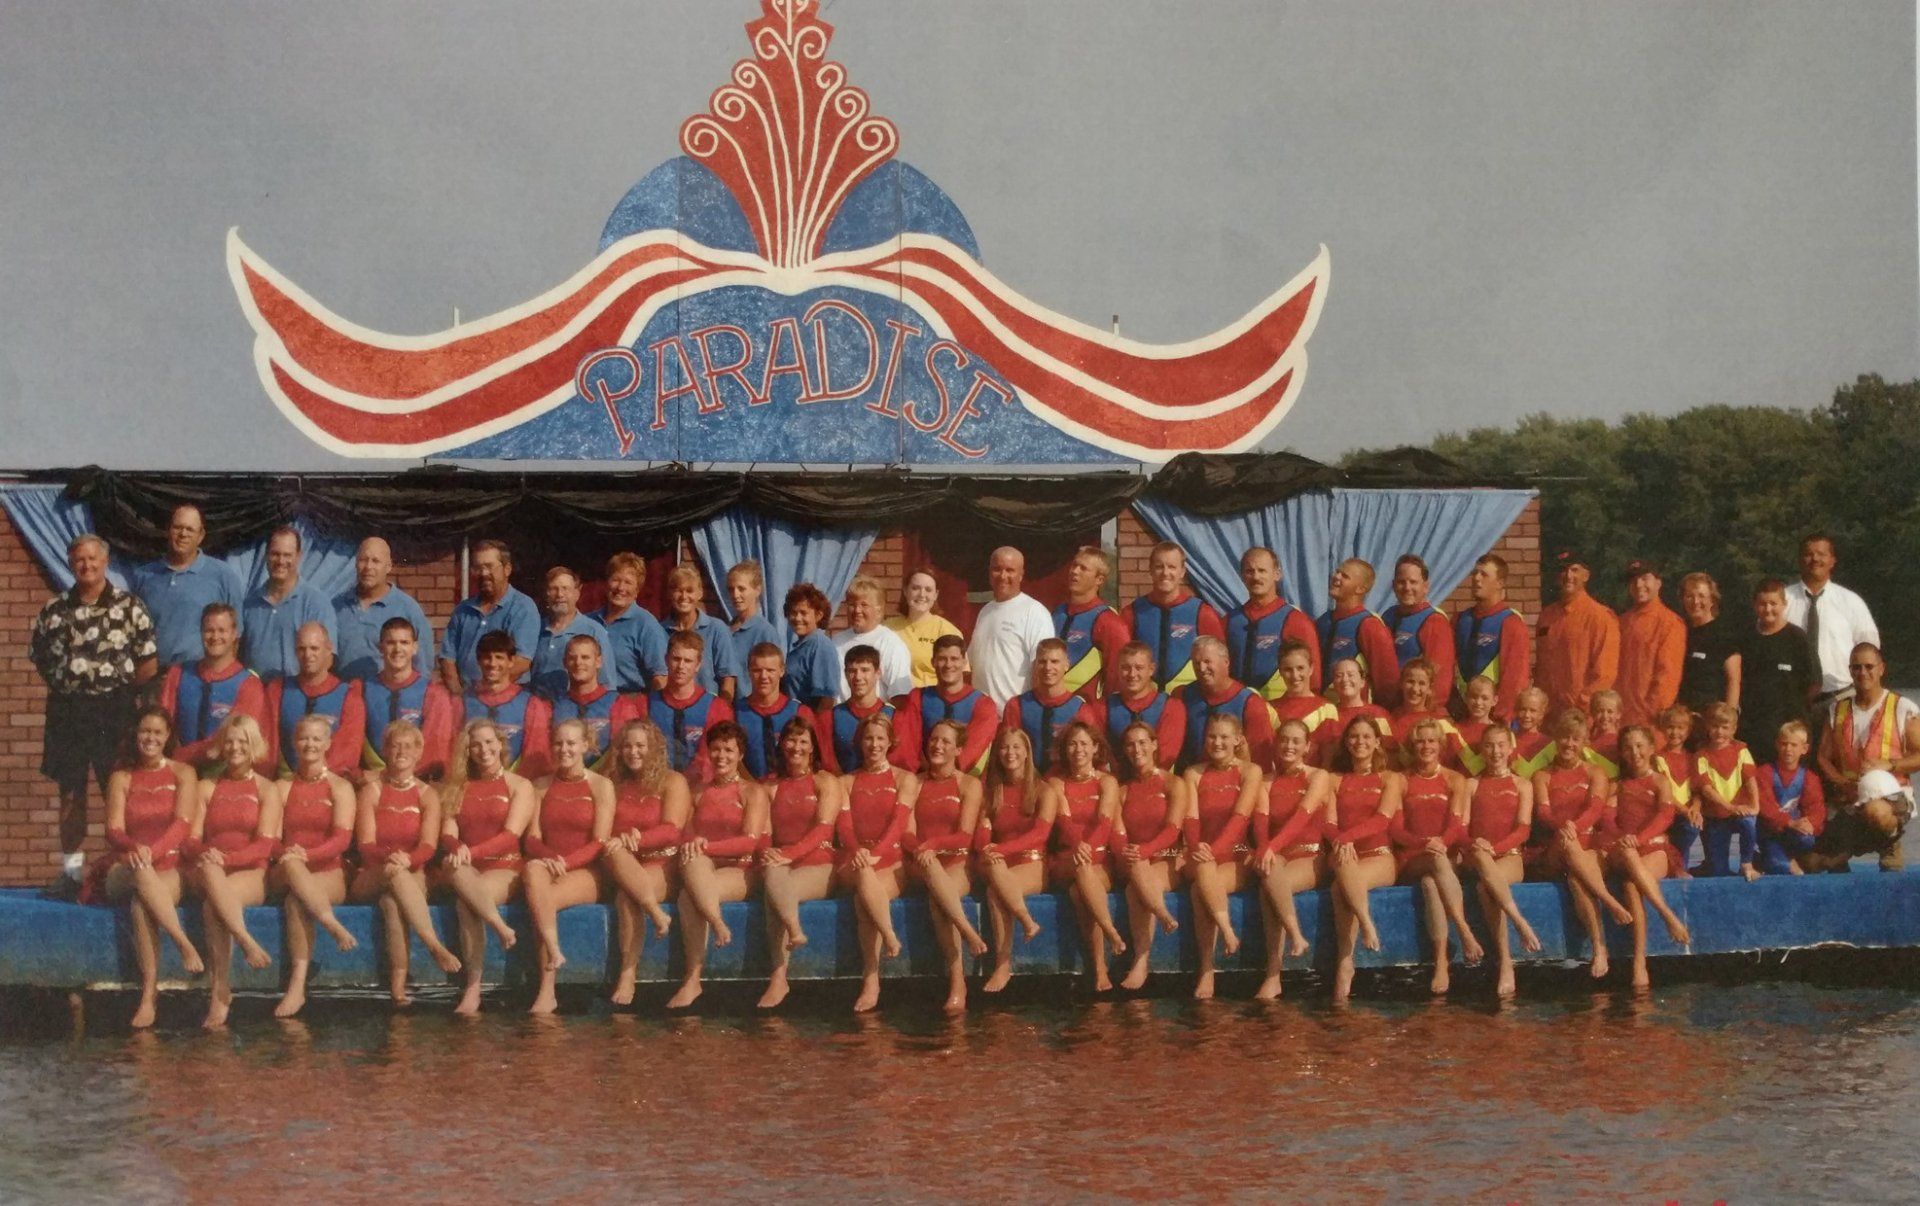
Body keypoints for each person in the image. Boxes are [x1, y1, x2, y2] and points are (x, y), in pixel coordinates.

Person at [31, 532, 158, 898]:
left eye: (92, 559)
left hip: (112, 711)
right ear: (71, 565)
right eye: (79, 561)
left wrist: (118, 695)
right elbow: (41, 659)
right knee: (70, 794)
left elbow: (148, 663)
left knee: (116, 791)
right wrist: (70, 684)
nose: (86, 566)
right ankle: (71, 875)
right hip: (67, 712)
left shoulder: (128, 606)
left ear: (105, 562)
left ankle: (122, 874)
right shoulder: (53, 610)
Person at [101, 707, 203, 1029]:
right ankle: (183, 942)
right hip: (125, 864)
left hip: (168, 863)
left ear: (168, 736)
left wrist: (154, 852)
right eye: (145, 731)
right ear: (136, 734)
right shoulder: (121, 777)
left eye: (157, 733)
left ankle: (148, 995)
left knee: (141, 903)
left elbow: (183, 824)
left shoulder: (184, 773)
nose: (150, 738)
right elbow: (113, 830)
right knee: (140, 875)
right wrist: (136, 850)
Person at [350, 721, 462, 1005]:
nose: (401, 751)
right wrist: (393, 860)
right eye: (395, 745)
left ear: (418, 753)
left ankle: (397, 984)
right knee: (394, 876)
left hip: (414, 872)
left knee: (391, 904)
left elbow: (428, 846)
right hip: (372, 872)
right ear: (385, 750)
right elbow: (365, 845)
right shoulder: (371, 791)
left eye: (408, 746)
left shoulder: (427, 795)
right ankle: (434, 945)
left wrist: (408, 860)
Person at [666, 722, 770, 1009]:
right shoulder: (698, 792)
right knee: (691, 875)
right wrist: (698, 846)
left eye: (728, 750)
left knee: (690, 894)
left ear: (740, 754)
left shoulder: (752, 792)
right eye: (715, 749)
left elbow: (749, 841)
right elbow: (686, 835)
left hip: (741, 869)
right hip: (703, 868)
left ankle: (693, 977)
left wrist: (707, 846)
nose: (721, 756)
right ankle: (715, 926)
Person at [437, 718, 536, 1016]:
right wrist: (458, 851)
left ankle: (472, 986)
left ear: (501, 745)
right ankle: (498, 926)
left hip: (504, 866)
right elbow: (447, 833)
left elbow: (511, 836)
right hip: (466, 868)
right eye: (476, 745)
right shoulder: (458, 787)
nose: (483, 750)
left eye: (489, 742)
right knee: (451, 866)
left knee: (466, 903)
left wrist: (470, 852)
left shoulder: (520, 785)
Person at [188, 714, 280, 1028]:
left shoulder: (268, 789)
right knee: (212, 875)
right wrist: (208, 854)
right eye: (229, 741)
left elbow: (265, 846)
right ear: (221, 746)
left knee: (213, 905)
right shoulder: (206, 787)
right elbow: (191, 841)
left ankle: (220, 990)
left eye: (243, 741)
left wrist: (226, 860)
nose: (235, 747)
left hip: (250, 871)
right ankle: (245, 941)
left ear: (254, 746)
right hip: (210, 867)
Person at [1529, 711, 1633, 980]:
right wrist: (1564, 828)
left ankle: (1599, 947)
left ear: (1584, 742)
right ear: (1555, 740)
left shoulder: (1594, 772)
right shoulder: (1542, 775)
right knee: (1569, 847)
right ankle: (1610, 902)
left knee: (1577, 878)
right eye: (1564, 737)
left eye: (1576, 739)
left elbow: (1596, 808)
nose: (1569, 744)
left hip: (1585, 844)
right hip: (1554, 846)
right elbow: (1543, 812)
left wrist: (1574, 827)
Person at [522, 718, 616, 1014]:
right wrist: (550, 858)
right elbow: (532, 838)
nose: (564, 749)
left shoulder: (601, 785)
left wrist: (566, 862)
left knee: (542, 900)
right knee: (531, 870)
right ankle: (554, 951)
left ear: (585, 746)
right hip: (549, 866)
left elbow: (600, 841)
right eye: (559, 743)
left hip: (587, 870)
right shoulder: (540, 786)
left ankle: (547, 989)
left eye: (571, 743)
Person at [270, 713, 360, 1018]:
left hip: (326, 871)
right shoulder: (281, 787)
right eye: (304, 738)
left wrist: (306, 855)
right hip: (287, 868)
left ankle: (297, 987)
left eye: (316, 738)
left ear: (328, 744)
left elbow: (342, 840)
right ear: (295, 743)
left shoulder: (340, 787)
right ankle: (331, 925)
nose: (310, 744)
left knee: (297, 901)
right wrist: (290, 854)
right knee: (293, 869)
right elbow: (270, 839)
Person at [1390, 718, 1483, 995]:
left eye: (1431, 740)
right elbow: (1395, 829)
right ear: (1412, 745)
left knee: (1431, 884)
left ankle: (1441, 962)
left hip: (1444, 853)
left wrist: (1441, 842)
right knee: (1435, 863)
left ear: (1441, 745)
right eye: (1420, 741)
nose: (1426, 746)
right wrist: (1426, 843)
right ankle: (1464, 931)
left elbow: (1457, 825)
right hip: (1413, 856)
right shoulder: (1401, 779)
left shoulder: (1456, 779)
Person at [601, 718, 690, 1007]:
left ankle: (628, 972)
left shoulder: (673, 780)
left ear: (654, 748)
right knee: (615, 856)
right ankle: (656, 913)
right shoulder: (613, 784)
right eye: (627, 746)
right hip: (622, 863)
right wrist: (622, 840)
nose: (633, 752)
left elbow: (672, 830)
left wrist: (634, 838)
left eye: (640, 745)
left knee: (627, 897)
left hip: (662, 864)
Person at [756, 717, 843, 1010]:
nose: (796, 747)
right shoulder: (770, 786)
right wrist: (769, 853)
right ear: (781, 745)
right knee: (774, 878)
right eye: (791, 741)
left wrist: (788, 855)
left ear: (813, 747)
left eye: (803, 741)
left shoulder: (825, 781)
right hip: (781, 864)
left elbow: (823, 829)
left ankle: (779, 974)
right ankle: (783, 966)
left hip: (819, 862)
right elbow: (764, 833)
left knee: (779, 886)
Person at [906, 720, 989, 1012]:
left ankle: (957, 981)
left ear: (959, 749)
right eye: (933, 740)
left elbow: (965, 836)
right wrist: (921, 849)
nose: (937, 746)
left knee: (939, 898)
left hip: (955, 862)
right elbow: (907, 831)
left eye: (945, 742)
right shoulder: (914, 783)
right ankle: (968, 933)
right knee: (933, 878)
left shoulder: (969, 784)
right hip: (921, 861)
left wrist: (934, 845)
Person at [836, 714, 917, 1012]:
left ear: (890, 742)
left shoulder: (905, 779)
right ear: (860, 742)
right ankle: (889, 937)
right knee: (864, 880)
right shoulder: (845, 781)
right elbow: (844, 826)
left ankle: (871, 978)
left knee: (864, 900)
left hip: (890, 860)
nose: (874, 744)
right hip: (856, 859)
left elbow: (899, 824)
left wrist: (877, 853)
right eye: (869, 738)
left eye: (880, 738)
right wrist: (859, 851)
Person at [1603, 726, 1694, 989]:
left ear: (1652, 748)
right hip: (1626, 849)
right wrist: (1624, 837)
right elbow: (1608, 819)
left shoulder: (1659, 782)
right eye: (1629, 747)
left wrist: (1639, 839)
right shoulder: (1616, 785)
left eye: (1640, 746)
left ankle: (1639, 962)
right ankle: (1668, 917)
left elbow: (1665, 817)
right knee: (1629, 857)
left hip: (1654, 848)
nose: (1635, 752)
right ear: (1621, 752)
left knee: (1631, 886)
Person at [1815, 643, 1919, 870]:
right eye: (1856, 667)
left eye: (1869, 666)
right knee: (1813, 862)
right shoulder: (1837, 709)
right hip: (1850, 796)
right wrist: (1842, 783)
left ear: (1882, 668)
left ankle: (1890, 841)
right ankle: (1839, 861)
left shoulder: (1902, 707)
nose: (1863, 673)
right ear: (1850, 671)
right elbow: (1823, 756)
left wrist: (1891, 764)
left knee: (1876, 812)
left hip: (1891, 798)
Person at [1250, 717, 1332, 999]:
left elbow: (1302, 817)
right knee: (1271, 875)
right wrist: (1265, 848)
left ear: (1307, 747)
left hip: (1309, 856)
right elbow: (1260, 822)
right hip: (1278, 856)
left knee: (1268, 886)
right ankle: (1294, 938)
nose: (1289, 746)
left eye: (1296, 741)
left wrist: (1269, 849)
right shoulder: (1265, 781)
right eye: (1284, 739)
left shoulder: (1318, 776)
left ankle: (1273, 974)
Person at [1182, 713, 1261, 1000]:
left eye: (1224, 737)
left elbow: (1241, 818)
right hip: (1200, 851)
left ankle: (1206, 969)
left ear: (1237, 740)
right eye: (1212, 737)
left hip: (1235, 853)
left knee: (1198, 888)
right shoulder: (1194, 773)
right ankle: (1227, 931)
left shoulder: (1250, 772)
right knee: (1204, 872)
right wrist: (1198, 849)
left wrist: (1212, 853)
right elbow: (1190, 819)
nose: (1217, 742)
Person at [1324, 716, 1402, 1003]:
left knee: (1339, 887)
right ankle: (1364, 926)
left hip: (1378, 856)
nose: (1360, 742)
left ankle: (1345, 961)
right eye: (1354, 737)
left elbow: (1382, 820)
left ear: (1377, 742)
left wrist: (1347, 838)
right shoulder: (1335, 779)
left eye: (1367, 737)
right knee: (1343, 873)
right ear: (1346, 742)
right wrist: (1341, 841)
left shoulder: (1390, 778)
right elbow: (1328, 822)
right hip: (1344, 854)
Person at [977, 727, 1060, 993]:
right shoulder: (992, 790)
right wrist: (989, 847)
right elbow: (982, 832)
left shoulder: (1043, 790)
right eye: (1004, 747)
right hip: (1000, 863)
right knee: (995, 882)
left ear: (1026, 753)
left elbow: (1041, 834)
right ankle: (1026, 921)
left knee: (994, 892)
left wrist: (1001, 849)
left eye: (1016, 747)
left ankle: (1002, 965)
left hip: (1032, 863)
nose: (1009, 753)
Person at [1462, 727, 1544, 996]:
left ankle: (1505, 961)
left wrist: (1495, 848)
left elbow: (1523, 830)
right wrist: (1477, 845)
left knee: (1485, 888)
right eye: (1489, 746)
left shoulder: (1522, 784)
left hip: (1509, 857)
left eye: (1500, 746)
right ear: (1482, 750)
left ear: (1510, 749)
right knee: (1483, 866)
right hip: (1479, 855)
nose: (1495, 752)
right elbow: (1461, 828)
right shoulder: (1472, 784)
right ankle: (1519, 923)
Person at [1047, 721, 1126, 993]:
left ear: (1095, 748)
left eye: (1083, 743)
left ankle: (1099, 970)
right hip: (1067, 858)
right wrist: (1079, 847)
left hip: (1098, 859)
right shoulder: (1056, 782)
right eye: (1072, 744)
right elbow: (1064, 819)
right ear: (1065, 749)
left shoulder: (1107, 781)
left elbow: (1105, 822)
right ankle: (1111, 932)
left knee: (1081, 894)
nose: (1078, 749)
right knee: (1081, 872)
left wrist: (1088, 849)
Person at [1112, 720, 1189, 992]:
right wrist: (1132, 852)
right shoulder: (1122, 791)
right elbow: (1118, 834)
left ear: (1154, 745)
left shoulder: (1173, 783)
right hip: (1133, 859)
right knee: (1136, 872)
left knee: (1136, 890)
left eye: (1142, 742)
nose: (1137, 749)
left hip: (1164, 858)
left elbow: (1173, 830)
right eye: (1131, 745)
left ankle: (1141, 959)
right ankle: (1162, 915)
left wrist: (1145, 851)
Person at [1784, 533, 1881, 739]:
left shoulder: (1851, 602)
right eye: (1809, 554)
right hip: (1793, 702)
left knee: (1841, 764)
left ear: (1832, 560)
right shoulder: (1782, 601)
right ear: (1800, 559)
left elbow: (1870, 651)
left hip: (1841, 699)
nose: (1815, 559)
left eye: (1821, 554)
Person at [158, 602, 268, 776]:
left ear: (234, 634)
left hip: (225, 773)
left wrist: (183, 757)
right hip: (178, 771)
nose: (215, 636)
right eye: (209, 630)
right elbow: (162, 722)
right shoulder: (178, 673)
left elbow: (237, 739)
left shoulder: (248, 684)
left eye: (222, 630)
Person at [132, 504, 244, 669]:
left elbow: (236, 635)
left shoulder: (223, 575)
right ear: (168, 530)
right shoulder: (144, 576)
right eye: (178, 527)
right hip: (157, 679)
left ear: (201, 535)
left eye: (190, 529)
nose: (183, 534)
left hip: (203, 678)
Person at [359, 617, 455, 782]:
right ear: (380, 647)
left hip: (418, 784)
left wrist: (397, 778)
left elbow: (435, 751)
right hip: (371, 784)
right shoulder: (361, 690)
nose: (398, 649)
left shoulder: (433, 694)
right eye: (391, 643)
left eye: (404, 642)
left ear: (415, 647)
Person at [264, 622, 365, 776]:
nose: (308, 655)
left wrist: (313, 782)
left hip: (330, 783)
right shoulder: (278, 690)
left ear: (328, 649)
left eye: (314, 648)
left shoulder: (348, 696)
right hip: (286, 785)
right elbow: (267, 746)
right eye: (301, 649)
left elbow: (348, 754)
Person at [439, 538, 539, 694]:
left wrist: (485, 691)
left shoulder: (523, 608)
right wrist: (458, 696)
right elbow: (447, 658)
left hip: (508, 700)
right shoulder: (463, 610)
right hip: (466, 698)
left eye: (489, 566)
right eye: (478, 568)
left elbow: (522, 662)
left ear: (507, 569)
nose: (483, 573)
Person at [1225, 546, 1323, 704]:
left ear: (1277, 574)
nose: (1256, 577)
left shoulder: (1296, 621)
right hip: (1238, 710)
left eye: (1262, 570)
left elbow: (1314, 680)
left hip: (1281, 714)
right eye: (1250, 571)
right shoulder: (1230, 620)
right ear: (1242, 576)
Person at [1126, 542, 1225, 694]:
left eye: (1172, 567)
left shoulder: (1202, 613)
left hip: (1190, 703)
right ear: (1150, 570)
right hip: (1146, 703)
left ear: (1182, 572)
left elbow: (1220, 669)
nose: (1165, 573)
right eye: (1159, 566)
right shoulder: (1133, 612)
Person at [240, 525, 336, 682]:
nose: (281, 561)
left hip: (296, 696)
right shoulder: (250, 604)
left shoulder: (317, 603)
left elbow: (328, 659)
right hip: (257, 695)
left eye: (287, 555)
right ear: (266, 555)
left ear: (299, 556)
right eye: (275, 554)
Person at [331, 536, 434, 681]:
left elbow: (423, 666)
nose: (368, 567)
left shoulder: (407, 609)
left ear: (389, 566)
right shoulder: (335, 607)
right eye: (363, 560)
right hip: (345, 698)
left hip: (389, 699)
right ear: (355, 563)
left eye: (376, 561)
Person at [893, 634, 998, 774]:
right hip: (923, 777)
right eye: (942, 659)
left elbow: (973, 749)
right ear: (933, 662)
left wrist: (946, 774)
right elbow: (908, 745)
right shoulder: (918, 697)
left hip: (965, 782)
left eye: (954, 659)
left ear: (964, 662)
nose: (948, 665)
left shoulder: (983, 704)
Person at [1535, 550, 1620, 720]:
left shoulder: (1600, 617)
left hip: (1582, 717)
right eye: (1563, 570)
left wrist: (1581, 706)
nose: (1568, 576)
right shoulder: (1547, 616)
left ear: (1586, 575)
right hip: (1549, 716)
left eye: (1574, 570)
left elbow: (1605, 675)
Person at [966, 546, 1056, 707]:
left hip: (1014, 719)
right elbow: (972, 663)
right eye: (997, 569)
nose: (1003, 576)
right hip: (982, 716)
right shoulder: (985, 612)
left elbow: (1042, 670)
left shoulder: (1035, 613)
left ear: (1021, 575)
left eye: (1010, 570)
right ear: (989, 573)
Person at [1175, 636, 1276, 772]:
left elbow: (1262, 760)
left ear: (1226, 662)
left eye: (1207, 662)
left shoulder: (1250, 703)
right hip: (1191, 780)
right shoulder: (1182, 695)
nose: (1202, 668)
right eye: (1196, 663)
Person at [1738, 579, 1817, 752]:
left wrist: (1797, 716)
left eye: (1773, 603)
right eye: (1762, 604)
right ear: (1754, 605)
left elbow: (1813, 683)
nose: (1768, 609)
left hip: (1788, 730)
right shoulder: (1746, 638)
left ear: (1784, 604)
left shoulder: (1797, 638)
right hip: (1753, 728)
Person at [462, 631, 553, 776]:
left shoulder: (531, 704)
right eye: (487, 657)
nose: (492, 664)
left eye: (499, 658)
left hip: (514, 788)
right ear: (478, 661)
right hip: (472, 786)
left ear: (511, 661)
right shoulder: (462, 702)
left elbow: (536, 759)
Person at [1452, 554, 1529, 720]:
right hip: (1462, 715)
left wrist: (1502, 718)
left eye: (1484, 574)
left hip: (1495, 719)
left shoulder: (1510, 622)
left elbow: (1515, 680)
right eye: (1475, 573)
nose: (1476, 579)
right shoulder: (1459, 619)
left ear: (1500, 583)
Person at [649, 630, 735, 778]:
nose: (681, 666)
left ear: (698, 665)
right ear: (666, 659)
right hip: (658, 785)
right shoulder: (646, 704)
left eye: (688, 661)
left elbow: (712, 759)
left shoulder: (717, 708)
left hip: (701, 788)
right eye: (676, 659)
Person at [549, 635, 644, 767]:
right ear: (565, 663)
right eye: (572, 658)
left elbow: (626, 754)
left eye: (585, 657)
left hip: (607, 782)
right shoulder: (554, 706)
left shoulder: (619, 705)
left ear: (598, 661)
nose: (578, 663)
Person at [1693, 701, 1761, 880]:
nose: (1720, 732)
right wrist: (1730, 807)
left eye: (1725, 727)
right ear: (1707, 726)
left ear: (1733, 729)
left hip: (1737, 812)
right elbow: (1706, 789)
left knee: (1749, 821)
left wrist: (1755, 806)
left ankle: (1747, 862)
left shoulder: (1741, 750)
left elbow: (1750, 779)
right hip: (1715, 816)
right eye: (1715, 726)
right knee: (1718, 871)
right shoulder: (1701, 756)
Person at [1051, 548, 1129, 700]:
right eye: (1074, 565)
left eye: (1083, 568)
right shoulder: (1057, 613)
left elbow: (1117, 679)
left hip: (1086, 715)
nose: (1074, 571)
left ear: (1099, 579)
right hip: (1051, 708)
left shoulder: (1109, 621)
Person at [1616, 560, 1686, 729]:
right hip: (1618, 718)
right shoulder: (1621, 622)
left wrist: (1649, 715)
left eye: (1645, 578)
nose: (1639, 585)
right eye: (1633, 580)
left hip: (1649, 722)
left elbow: (1667, 677)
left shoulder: (1670, 623)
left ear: (1658, 583)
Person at [528, 565, 614, 701]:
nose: (560, 595)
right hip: (538, 708)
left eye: (565, 589)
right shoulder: (535, 628)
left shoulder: (594, 631)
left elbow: (607, 683)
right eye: (554, 589)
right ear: (546, 593)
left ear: (577, 593)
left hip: (575, 710)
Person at [1379, 554, 1454, 709]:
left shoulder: (1434, 621)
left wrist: (1427, 713)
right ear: (1393, 585)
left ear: (1425, 586)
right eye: (1401, 582)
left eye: (1413, 582)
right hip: (1391, 709)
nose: (1407, 588)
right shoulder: (1388, 616)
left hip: (1419, 712)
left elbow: (1439, 678)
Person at [591, 551, 669, 696]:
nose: (620, 587)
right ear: (607, 583)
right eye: (616, 579)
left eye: (628, 582)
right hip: (591, 701)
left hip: (630, 703)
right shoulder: (589, 622)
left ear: (637, 590)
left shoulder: (646, 624)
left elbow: (660, 676)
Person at [661, 564, 743, 700]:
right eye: (678, 590)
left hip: (708, 710)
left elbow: (728, 678)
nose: (683, 596)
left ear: (700, 593)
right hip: (671, 708)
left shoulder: (716, 629)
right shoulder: (660, 630)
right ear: (670, 593)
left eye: (689, 590)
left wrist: (723, 712)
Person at [1005, 638, 1086, 776]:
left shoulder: (1080, 709)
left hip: (1065, 784)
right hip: (1027, 782)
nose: (1048, 667)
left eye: (1054, 662)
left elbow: (1092, 757)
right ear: (1035, 665)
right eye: (1042, 661)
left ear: (1066, 665)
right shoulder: (1016, 705)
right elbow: (1007, 749)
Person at [1103, 641, 1187, 771]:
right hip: (1117, 784)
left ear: (1151, 669)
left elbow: (1165, 758)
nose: (1132, 674)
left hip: (1157, 782)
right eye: (1126, 668)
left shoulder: (1171, 707)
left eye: (1139, 668)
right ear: (1118, 669)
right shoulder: (1102, 707)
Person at [736, 642, 814, 780]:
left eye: (770, 670)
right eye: (757, 670)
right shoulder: (736, 712)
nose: (763, 676)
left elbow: (813, 759)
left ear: (782, 670)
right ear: (748, 671)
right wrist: (754, 789)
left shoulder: (800, 712)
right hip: (750, 791)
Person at [1756, 721, 1825, 875]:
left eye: (1794, 745)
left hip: (1792, 833)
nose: (1788, 749)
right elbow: (1765, 807)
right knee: (1788, 871)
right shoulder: (1764, 773)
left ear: (1804, 749)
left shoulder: (1809, 777)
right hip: (1769, 832)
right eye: (1784, 744)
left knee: (1807, 839)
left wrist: (1810, 824)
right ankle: (1768, 858)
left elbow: (1816, 808)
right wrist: (1789, 822)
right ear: (1777, 745)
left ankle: (1786, 857)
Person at [831, 575, 911, 702]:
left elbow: (900, 695)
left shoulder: (890, 643)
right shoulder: (835, 643)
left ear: (878, 610)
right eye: (852, 604)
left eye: (864, 605)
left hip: (876, 718)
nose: (857, 610)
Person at [818, 645, 896, 774]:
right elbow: (828, 763)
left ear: (878, 673)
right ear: (845, 674)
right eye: (852, 671)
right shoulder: (830, 717)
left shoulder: (894, 716)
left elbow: (898, 764)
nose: (858, 677)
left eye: (865, 670)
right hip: (843, 788)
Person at [887, 568, 964, 689]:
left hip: (931, 701)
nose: (922, 594)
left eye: (928, 590)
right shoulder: (888, 628)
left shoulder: (947, 631)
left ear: (935, 595)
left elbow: (958, 677)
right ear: (905, 591)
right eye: (915, 588)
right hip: (895, 701)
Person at [1677, 572, 1741, 717]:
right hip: (1682, 720)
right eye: (1689, 596)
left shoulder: (1724, 635)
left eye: (1701, 596)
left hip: (1712, 721)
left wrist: (1728, 719)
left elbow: (1733, 680)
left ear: (1712, 600)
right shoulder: (1679, 631)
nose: (1695, 601)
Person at [1315, 658, 1391, 769]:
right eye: (1339, 675)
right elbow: (1324, 757)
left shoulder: (1378, 714)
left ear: (1362, 682)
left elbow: (1390, 755)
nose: (1345, 679)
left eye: (1351, 675)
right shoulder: (1326, 714)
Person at [1268, 641, 1336, 761]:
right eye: (1288, 669)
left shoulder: (1326, 709)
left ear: (1311, 669)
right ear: (1280, 672)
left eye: (1300, 668)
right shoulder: (1269, 708)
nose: (1295, 675)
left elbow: (1329, 759)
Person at [781, 583, 842, 714]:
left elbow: (826, 698)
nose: (797, 618)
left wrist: (814, 727)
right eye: (793, 612)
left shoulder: (820, 645)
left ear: (818, 615)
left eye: (803, 613)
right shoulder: (799, 647)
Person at [724, 560, 782, 678]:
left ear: (757, 590)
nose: (735, 595)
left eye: (741, 589)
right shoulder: (726, 629)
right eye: (731, 589)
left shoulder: (765, 632)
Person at [1389, 657, 1453, 760]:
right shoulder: (1389, 719)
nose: (1415, 689)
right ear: (1401, 684)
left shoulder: (1440, 723)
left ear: (1430, 689)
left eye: (1422, 683)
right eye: (1410, 681)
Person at [1447, 676, 1499, 775]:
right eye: (1474, 697)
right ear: (1466, 697)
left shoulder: (1501, 733)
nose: (1478, 702)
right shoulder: (1453, 732)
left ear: (1494, 700)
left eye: (1484, 698)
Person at [1510, 687, 1557, 779]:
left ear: (1542, 714)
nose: (1527, 715)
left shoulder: (1550, 744)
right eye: (1523, 709)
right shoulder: (1508, 739)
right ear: (1516, 711)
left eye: (1533, 710)